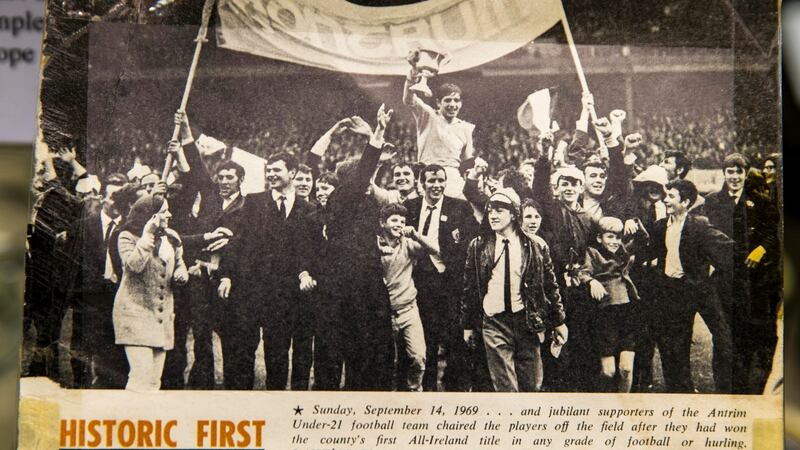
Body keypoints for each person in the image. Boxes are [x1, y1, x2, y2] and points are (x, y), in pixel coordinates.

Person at [225, 152, 320, 390]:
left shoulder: (307, 209)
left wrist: (305, 272)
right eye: (269, 170)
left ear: (292, 173)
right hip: (254, 291)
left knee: (278, 356)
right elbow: (238, 240)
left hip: (288, 296)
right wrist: (226, 274)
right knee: (252, 353)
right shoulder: (254, 201)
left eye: (277, 170)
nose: (271, 174)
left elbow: (307, 250)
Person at [462, 188, 567, 392]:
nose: (493, 215)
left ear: (513, 214)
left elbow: (550, 286)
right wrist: (467, 324)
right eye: (490, 210)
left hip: (527, 321)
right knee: (506, 387)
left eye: (499, 210)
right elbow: (469, 289)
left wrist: (559, 321)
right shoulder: (478, 246)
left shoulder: (536, 245)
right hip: (494, 322)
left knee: (532, 384)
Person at [325, 106, 396, 390]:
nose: (369, 183)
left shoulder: (364, 202)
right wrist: (376, 133)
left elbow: (372, 171)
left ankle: (368, 388)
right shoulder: (342, 197)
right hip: (350, 283)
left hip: (366, 279)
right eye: (364, 179)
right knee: (359, 342)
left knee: (373, 343)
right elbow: (366, 168)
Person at [640, 179, 733, 393]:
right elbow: (650, 252)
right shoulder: (660, 226)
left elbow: (728, 249)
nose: (666, 200)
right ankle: (682, 390)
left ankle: (728, 388)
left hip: (701, 290)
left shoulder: (699, 224)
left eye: (671, 196)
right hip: (674, 291)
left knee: (723, 335)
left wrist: (715, 273)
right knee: (675, 343)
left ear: (686, 201)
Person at [704, 153, 780, 394]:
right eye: (730, 171)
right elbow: (706, 235)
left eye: (739, 171)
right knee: (723, 335)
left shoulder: (761, 201)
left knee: (748, 333)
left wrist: (761, 248)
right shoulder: (712, 201)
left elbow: (772, 233)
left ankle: (746, 390)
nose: (734, 176)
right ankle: (723, 389)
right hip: (723, 278)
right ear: (723, 174)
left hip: (751, 280)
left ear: (745, 173)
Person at [403, 163, 478, 391]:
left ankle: (455, 392)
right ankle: (427, 391)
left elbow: (467, 245)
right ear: (422, 183)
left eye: (440, 181)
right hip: (421, 284)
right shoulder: (410, 207)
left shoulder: (460, 208)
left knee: (455, 340)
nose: (437, 185)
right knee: (426, 341)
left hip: (450, 283)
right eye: (431, 181)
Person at [113, 195, 189, 391]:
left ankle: (147, 416)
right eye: (164, 211)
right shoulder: (126, 236)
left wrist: (182, 272)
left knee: (154, 382)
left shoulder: (172, 238)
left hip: (161, 317)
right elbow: (134, 266)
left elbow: (180, 264)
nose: (169, 214)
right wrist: (147, 235)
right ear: (151, 215)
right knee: (141, 377)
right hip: (134, 314)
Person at [68, 173, 129, 388]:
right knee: (81, 350)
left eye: (122, 197)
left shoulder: (130, 229)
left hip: (117, 298)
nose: (117, 203)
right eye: (113, 197)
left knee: (114, 354)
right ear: (103, 198)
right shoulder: (83, 226)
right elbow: (74, 265)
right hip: (88, 298)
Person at [578, 216, 647, 392]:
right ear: (599, 238)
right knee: (608, 372)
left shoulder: (622, 251)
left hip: (628, 310)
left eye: (618, 237)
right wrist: (591, 282)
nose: (615, 241)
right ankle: (604, 402)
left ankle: (623, 405)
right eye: (610, 236)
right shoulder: (593, 252)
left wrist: (634, 222)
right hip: (605, 314)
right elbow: (583, 272)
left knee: (626, 368)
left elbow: (643, 240)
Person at [376, 203, 439, 391]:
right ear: (382, 223)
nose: (398, 224)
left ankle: (415, 391)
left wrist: (416, 234)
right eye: (394, 220)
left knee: (418, 357)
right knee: (390, 362)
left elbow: (434, 249)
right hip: (385, 312)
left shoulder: (407, 243)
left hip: (409, 310)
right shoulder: (374, 244)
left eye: (402, 221)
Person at [404, 50, 475, 199]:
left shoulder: (466, 127)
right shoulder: (428, 116)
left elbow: (467, 161)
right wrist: (413, 74)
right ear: (438, 103)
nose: (452, 104)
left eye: (456, 101)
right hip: (428, 175)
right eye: (447, 100)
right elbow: (409, 99)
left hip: (454, 180)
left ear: (461, 103)